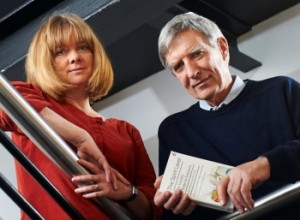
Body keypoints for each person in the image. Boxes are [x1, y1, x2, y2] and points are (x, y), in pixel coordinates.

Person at [0, 12, 161, 220]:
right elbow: (6, 106)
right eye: (60, 52)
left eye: (83, 47)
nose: (74, 57)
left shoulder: (126, 132)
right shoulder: (29, 100)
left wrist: (129, 194)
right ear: (48, 62)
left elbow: (151, 212)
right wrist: (80, 136)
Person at [153, 12, 300, 219]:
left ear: (222, 48)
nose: (192, 71)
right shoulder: (173, 131)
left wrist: (264, 165)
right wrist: (176, 208)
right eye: (179, 66)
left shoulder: (281, 90)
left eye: (197, 54)